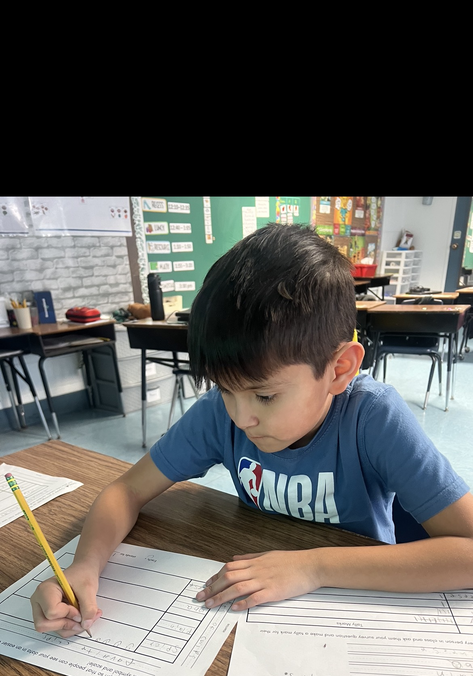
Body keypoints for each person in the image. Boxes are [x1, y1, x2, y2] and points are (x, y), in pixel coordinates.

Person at [31, 223, 473, 636]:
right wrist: (84, 567)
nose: (242, 418)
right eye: (225, 389)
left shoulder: (372, 418)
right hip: (260, 608)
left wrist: (313, 567)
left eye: (265, 396)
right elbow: (125, 490)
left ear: (339, 369)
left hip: (356, 608)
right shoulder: (219, 413)